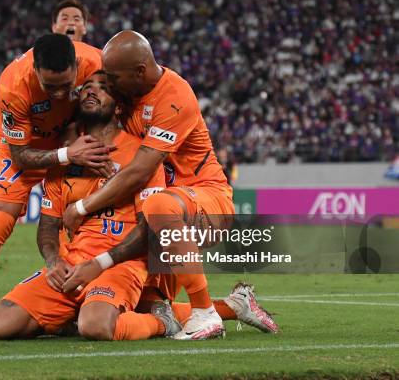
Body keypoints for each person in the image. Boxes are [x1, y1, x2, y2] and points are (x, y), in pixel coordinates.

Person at [61, 30, 269, 340]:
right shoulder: (127, 92)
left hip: (206, 200)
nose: (111, 84)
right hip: (162, 215)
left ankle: (205, 315)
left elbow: (142, 169)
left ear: (140, 71)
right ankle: (234, 306)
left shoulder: (175, 97)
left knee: (159, 204)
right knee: (150, 308)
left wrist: (82, 206)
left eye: (114, 78)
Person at [0, 34, 109, 340]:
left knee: (86, 221)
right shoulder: (14, 83)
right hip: (26, 148)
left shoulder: (96, 61)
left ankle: (79, 307)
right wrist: (67, 154)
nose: (58, 94)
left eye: (65, 86)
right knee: (0, 220)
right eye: (49, 86)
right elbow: (20, 155)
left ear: (78, 66)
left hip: (73, 143)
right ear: (35, 69)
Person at [0, 71, 181, 340]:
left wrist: (100, 264)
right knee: (0, 326)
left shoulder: (141, 156)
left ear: (119, 106)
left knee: (96, 326)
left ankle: (163, 323)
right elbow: (48, 225)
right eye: (87, 86)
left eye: (103, 87)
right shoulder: (65, 157)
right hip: (72, 265)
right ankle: (72, 315)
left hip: (119, 264)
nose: (91, 90)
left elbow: (150, 229)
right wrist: (54, 261)